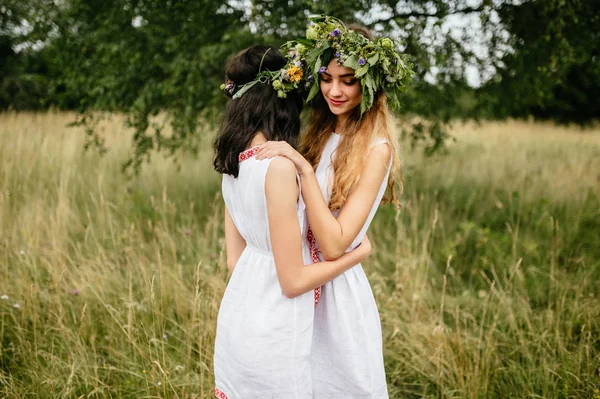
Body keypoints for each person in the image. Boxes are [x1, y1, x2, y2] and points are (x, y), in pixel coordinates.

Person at [256, 16, 413, 398]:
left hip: (336, 296)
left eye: (348, 80)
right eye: (326, 78)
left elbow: (334, 245)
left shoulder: (377, 149)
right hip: (298, 282)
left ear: (371, 84)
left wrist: (302, 170)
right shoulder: (321, 131)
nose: (335, 90)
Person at [212, 44, 372, 399]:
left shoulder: (233, 163)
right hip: (275, 335)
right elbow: (293, 281)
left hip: (240, 320)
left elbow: (234, 261)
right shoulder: (279, 168)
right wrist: (355, 255)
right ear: (283, 101)